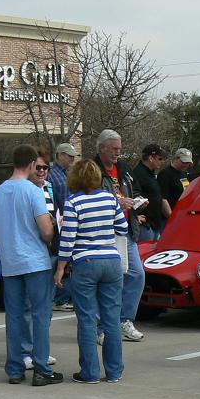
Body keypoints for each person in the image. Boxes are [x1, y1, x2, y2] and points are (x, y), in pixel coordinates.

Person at [0, 144, 61, 387]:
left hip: (10, 263)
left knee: (15, 315)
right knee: (40, 314)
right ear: (30, 164)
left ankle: (15, 368)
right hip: (35, 262)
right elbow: (47, 232)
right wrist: (49, 224)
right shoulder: (32, 192)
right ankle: (41, 368)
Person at [54, 159, 127, 383]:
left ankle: (90, 372)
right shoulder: (109, 198)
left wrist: (60, 268)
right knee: (112, 320)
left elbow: (67, 240)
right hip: (111, 261)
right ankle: (114, 372)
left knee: (86, 319)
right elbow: (122, 228)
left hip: (85, 262)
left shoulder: (73, 202)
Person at [94, 129, 147, 342]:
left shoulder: (124, 169)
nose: (118, 153)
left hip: (126, 230)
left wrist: (137, 201)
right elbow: (91, 199)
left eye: (119, 149)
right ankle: (101, 327)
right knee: (107, 281)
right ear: (102, 148)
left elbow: (132, 192)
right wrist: (117, 203)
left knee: (137, 275)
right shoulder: (93, 170)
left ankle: (125, 320)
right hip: (105, 234)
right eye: (114, 149)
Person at [19, 148, 59, 371]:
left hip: (50, 252)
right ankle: (26, 351)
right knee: (27, 305)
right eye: (38, 167)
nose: (42, 171)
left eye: (46, 168)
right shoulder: (25, 190)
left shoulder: (50, 188)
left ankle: (40, 350)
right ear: (30, 167)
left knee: (45, 307)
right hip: (32, 254)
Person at [50, 142, 78, 311]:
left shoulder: (67, 174)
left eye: (74, 157)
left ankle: (62, 297)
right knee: (60, 259)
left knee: (67, 261)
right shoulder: (52, 175)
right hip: (57, 224)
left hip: (68, 221)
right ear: (60, 155)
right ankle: (58, 298)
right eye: (69, 156)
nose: (72, 160)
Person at [131, 143, 169, 241]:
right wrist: (135, 216)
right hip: (145, 225)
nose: (162, 162)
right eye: (160, 159)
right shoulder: (138, 174)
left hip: (155, 224)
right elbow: (133, 196)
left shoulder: (151, 174)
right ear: (151, 158)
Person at [158, 148, 192, 215]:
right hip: (169, 214)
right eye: (183, 162)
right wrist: (171, 216)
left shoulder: (184, 173)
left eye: (188, 163)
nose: (185, 165)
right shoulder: (165, 174)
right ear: (176, 158)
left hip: (182, 212)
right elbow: (163, 198)